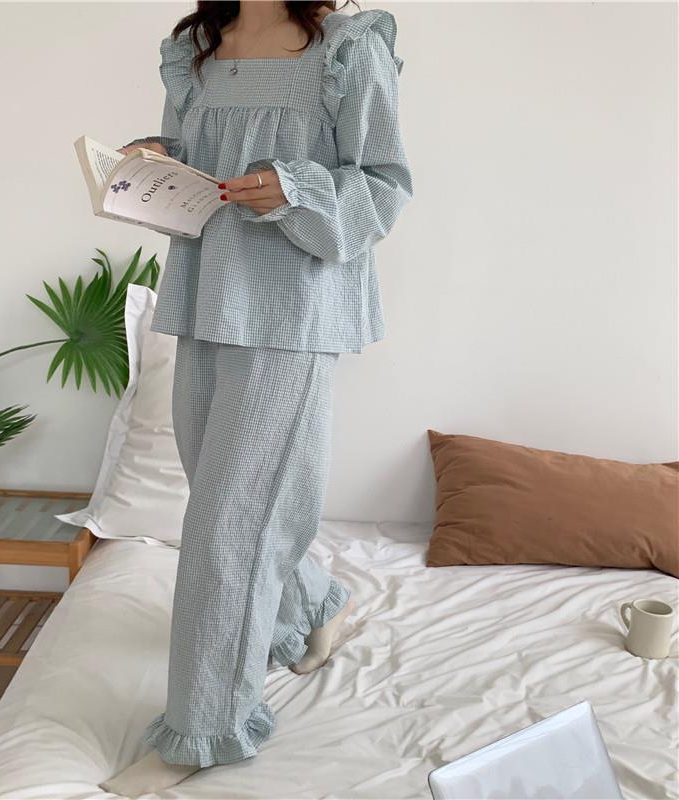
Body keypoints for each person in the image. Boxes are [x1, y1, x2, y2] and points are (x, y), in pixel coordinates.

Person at [100, 1, 412, 795]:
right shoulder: (196, 47)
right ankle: (313, 605)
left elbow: (383, 186)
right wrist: (156, 159)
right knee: (226, 501)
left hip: (293, 313)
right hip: (206, 296)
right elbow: (197, 163)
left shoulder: (347, 49)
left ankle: (204, 730)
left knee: (226, 528)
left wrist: (296, 189)